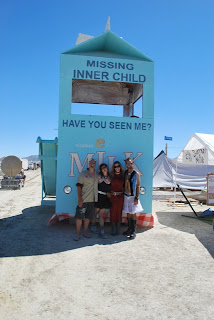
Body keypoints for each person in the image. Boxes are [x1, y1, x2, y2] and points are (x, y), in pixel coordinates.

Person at [74, 158, 98, 241]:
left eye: (94, 163)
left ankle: (85, 233)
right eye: (91, 163)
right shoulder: (83, 174)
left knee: (88, 218)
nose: (92, 164)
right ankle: (77, 234)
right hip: (84, 200)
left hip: (92, 200)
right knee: (79, 217)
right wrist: (79, 199)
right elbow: (79, 186)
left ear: (95, 164)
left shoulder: (97, 174)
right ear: (88, 164)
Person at [122, 157, 143, 239]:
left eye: (130, 163)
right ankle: (129, 229)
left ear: (132, 164)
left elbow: (138, 186)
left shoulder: (136, 173)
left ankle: (133, 231)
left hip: (133, 196)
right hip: (126, 195)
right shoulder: (125, 173)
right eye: (127, 163)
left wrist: (136, 197)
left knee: (133, 212)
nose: (129, 165)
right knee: (128, 212)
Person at [94, 163, 111, 239]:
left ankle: (102, 231)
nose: (104, 168)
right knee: (95, 212)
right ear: (101, 169)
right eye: (102, 168)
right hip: (98, 197)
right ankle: (92, 226)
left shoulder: (110, 177)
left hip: (105, 197)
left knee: (101, 214)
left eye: (105, 167)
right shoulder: (99, 176)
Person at [109, 161, 124, 235]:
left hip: (120, 196)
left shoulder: (123, 176)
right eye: (115, 166)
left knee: (119, 212)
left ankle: (118, 229)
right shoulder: (111, 175)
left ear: (120, 167)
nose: (117, 168)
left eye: (118, 166)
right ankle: (113, 229)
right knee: (112, 212)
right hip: (112, 197)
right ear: (113, 168)